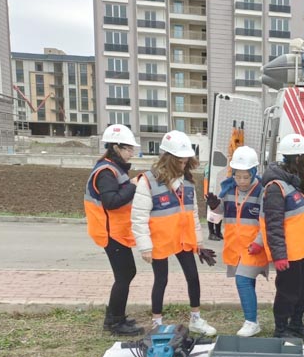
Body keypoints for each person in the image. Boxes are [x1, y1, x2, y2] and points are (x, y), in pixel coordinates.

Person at [131, 130, 218, 335]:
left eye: (186, 161)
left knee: (193, 277)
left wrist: (199, 242)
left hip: (183, 239)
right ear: (168, 158)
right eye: (180, 161)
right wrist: (145, 247)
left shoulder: (187, 182)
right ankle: (157, 323)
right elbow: (139, 217)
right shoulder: (148, 181)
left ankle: (196, 319)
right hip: (160, 240)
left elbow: (193, 213)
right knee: (161, 280)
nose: (183, 165)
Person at [83, 124, 143, 336]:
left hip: (116, 231)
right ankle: (115, 322)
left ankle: (115, 316)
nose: (131, 153)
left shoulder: (112, 168)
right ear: (117, 148)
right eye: (128, 149)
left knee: (126, 273)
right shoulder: (106, 172)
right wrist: (134, 185)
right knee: (124, 275)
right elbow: (111, 201)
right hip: (110, 232)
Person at [258, 133, 304, 341]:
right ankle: (281, 329)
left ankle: (296, 323)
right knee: (287, 292)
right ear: (298, 159)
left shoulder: (296, 182)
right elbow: (273, 224)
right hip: (289, 252)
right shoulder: (276, 187)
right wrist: (279, 255)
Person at [206, 146, 267, 337]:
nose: (241, 181)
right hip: (234, 246)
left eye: (245, 177)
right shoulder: (229, 190)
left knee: (242, 281)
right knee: (247, 282)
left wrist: (259, 242)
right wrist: (215, 206)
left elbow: (266, 221)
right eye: (238, 176)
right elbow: (221, 213)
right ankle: (253, 319)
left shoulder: (263, 193)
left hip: (254, 247)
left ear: (254, 173)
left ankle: (251, 321)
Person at [203, 165, 224, 241]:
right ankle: (211, 233)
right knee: (212, 212)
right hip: (212, 188)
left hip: (217, 188)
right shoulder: (209, 167)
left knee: (219, 212)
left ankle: (218, 232)